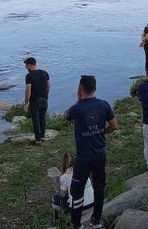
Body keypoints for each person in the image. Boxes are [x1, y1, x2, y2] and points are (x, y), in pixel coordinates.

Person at [64, 75, 119, 229]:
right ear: (95, 89)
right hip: (100, 154)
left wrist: (78, 98)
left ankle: (76, 224)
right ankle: (96, 221)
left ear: (80, 89)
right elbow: (114, 126)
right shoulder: (103, 105)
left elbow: (65, 116)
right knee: (99, 187)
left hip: (83, 158)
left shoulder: (77, 108)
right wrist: (101, 131)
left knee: (77, 190)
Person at [51, 153, 94, 223]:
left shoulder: (65, 176)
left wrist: (58, 185)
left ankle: (56, 222)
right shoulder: (83, 170)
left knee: (55, 199)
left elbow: (62, 194)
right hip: (92, 203)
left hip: (80, 207)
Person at [23, 57, 50, 142]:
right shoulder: (45, 73)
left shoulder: (29, 76)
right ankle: (42, 135)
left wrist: (26, 102)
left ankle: (38, 139)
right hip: (44, 99)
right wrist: (46, 96)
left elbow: (28, 89)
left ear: (29, 65)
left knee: (36, 119)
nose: (26, 68)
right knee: (42, 118)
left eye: (26, 66)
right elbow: (48, 86)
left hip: (35, 100)